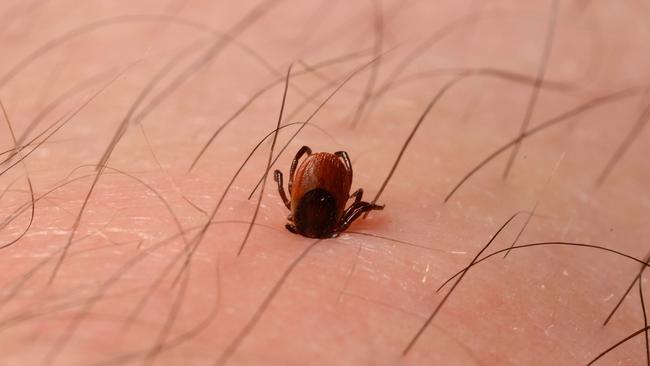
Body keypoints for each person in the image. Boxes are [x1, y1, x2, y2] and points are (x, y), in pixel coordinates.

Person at [0, 1, 648, 364]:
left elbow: (307, 194)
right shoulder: (334, 209)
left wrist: (303, 183)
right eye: (321, 214)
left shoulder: (311, 204)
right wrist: (341, 205)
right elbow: (340, 201)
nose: (313, 218)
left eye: (314, 214)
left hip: (318, 172)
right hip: (325, 174)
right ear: (331, 212)